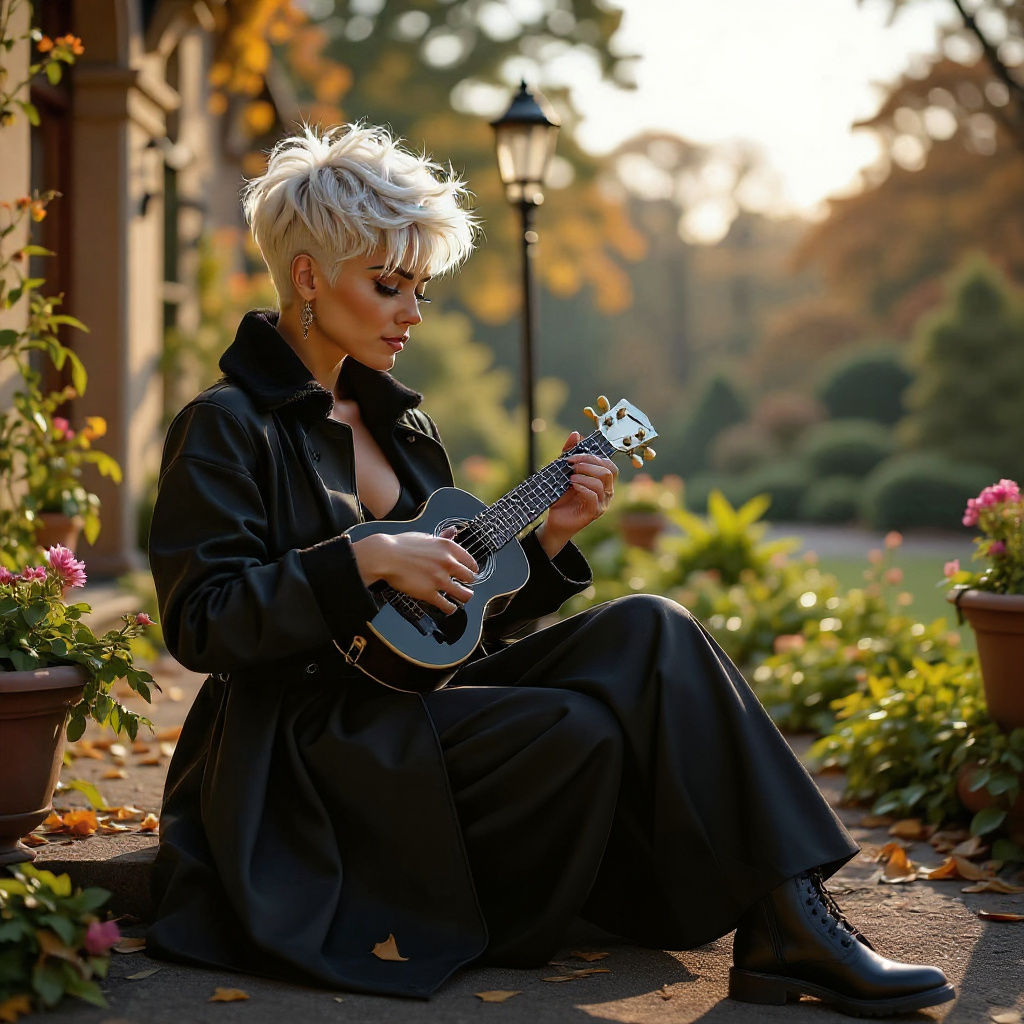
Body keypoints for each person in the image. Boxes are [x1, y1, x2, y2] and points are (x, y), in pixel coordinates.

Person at [146, 123, 954, 1016]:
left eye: (418, 286)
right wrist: (366, 555)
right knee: (578, 728)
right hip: (301, 751)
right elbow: (201, 622)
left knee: (652, 625)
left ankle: (792, 915)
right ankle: (780, 924)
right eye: (387, 285)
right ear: (306, 274)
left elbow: (445, 629)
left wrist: (547, 545)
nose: (412, 310)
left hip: (408, 709)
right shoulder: (226, 424)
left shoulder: (405, 430)